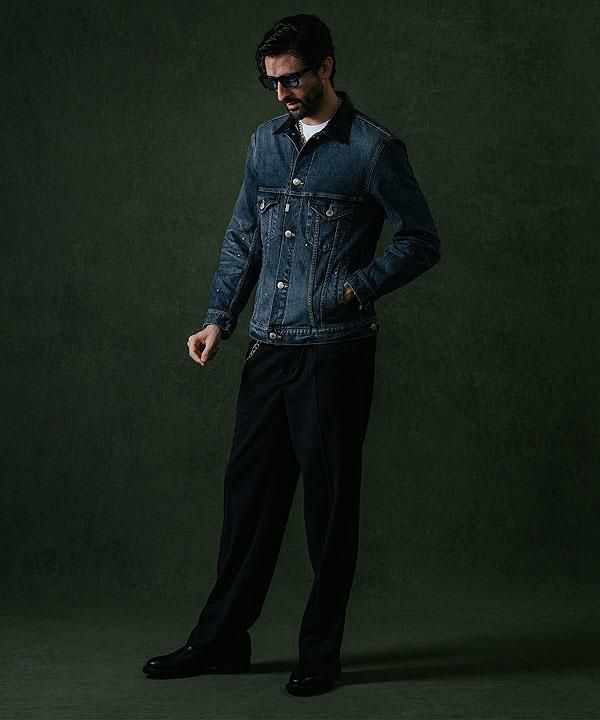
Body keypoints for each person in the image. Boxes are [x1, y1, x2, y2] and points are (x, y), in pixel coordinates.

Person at [142, 13, 441, 695]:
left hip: (335, 354)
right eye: (272, 82)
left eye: (294, 78)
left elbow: (421, 240)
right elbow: (244, 236)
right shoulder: (264, 144)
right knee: (248, 500)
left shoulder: (372, 149)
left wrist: (354, 288)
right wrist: (218, 319)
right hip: (268, 347)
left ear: (326, 67)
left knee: (327, 512)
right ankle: (221, 640)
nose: (283, 93)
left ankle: (320, 652)